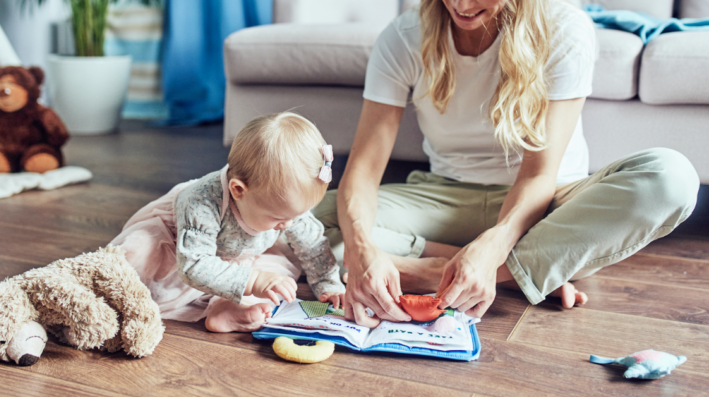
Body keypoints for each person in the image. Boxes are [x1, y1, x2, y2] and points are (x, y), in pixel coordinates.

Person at [313, 0, 699, 328]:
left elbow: (537, 175)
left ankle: (440, 271)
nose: (462, 6)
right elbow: (362, 171)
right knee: (302, 216)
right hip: (446, 196)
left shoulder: (564, 27)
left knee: (671, 179)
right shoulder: (402, 36)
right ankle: (520, 271)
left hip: (545, 205)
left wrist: (492, 250)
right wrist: (362, 251)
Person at [111, 112, 345, 333]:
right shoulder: (200, 201)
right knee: (133, 263)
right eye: (279, 218)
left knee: (278, 278)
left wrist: (328, 284)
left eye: (297, 215)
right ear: (238, 190)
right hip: (179, 255)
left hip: (237, 257)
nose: (289, 224)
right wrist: (253, 280)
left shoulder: (283, 208)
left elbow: (312, 246)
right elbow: (193, 266)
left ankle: (225, 308)